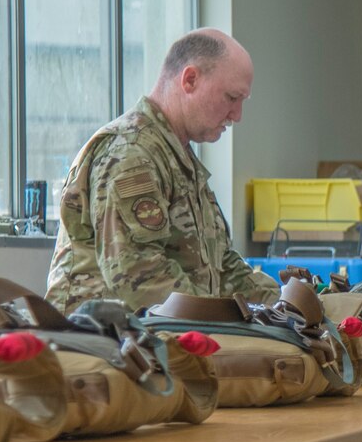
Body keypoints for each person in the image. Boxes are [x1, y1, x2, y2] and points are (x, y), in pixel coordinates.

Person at [45, 29, 281, 312]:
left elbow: (223, 268)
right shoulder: (132, 154)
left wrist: (284, 306)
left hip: (160, 335)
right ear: (190, 80)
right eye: (232, 98)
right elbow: (140, 278)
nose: (237, 115)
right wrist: (222, 322)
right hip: (105, 341)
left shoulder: (175, 154)